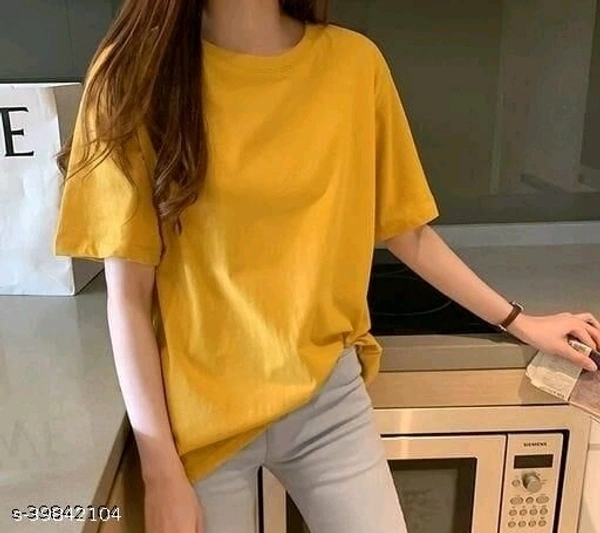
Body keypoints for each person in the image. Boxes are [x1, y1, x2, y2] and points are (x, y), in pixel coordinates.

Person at [53, 1, 600, 532]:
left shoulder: (354, 66)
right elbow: (128, 298)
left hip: (326, 398)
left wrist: (519, 321)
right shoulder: (133, 76)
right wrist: (160, 471)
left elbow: (406, 230)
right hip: (199, 415)